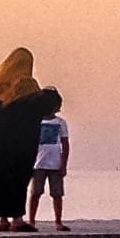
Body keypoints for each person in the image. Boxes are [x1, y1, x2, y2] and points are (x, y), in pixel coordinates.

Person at [0, 48, 54, 231]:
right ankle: (17, 220)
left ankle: (3, 219)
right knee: (17, 180)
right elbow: (37, 111)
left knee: (0, 180)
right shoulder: (27, 85)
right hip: (19, 144)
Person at [25, 90, 70, 230]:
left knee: (57, 194)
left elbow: (65, 144)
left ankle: (58, 221)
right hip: (38, 163)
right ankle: (31, 220)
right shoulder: (35, 122)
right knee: (35, 193)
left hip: (55, 164)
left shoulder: (61, 123)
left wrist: (63, 164)